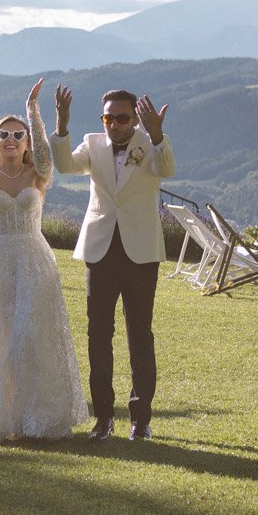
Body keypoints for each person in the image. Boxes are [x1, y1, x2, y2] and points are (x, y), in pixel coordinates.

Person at [0, 78, 91, 443]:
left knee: (30, 336)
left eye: (17, 135)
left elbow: (46, 155)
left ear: (27, 143)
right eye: (4, 135)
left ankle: (37, 417)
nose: (10, 140)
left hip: (33, 260)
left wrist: (34, 111)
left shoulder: (37, 174)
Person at [50, 85, 174, 441]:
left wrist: (157, 134)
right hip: (100, 253)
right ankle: (103, 419)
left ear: (135, 117)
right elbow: (63, 165)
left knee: (140, 337)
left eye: (121, 118)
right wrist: (61, 124)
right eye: (109, 118)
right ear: (101, 119)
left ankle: (141, 419)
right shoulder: (92, 144)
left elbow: (167, 169)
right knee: (98, 336)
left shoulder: (151, 142)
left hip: (141, 254)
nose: (115, 124)